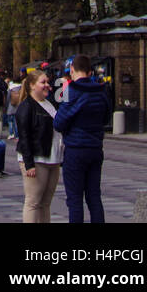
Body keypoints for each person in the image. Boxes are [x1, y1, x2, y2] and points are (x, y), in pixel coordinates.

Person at [53, 54, 112, 224]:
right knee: (94, 197)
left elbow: (59, 123)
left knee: (75, 199)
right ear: (90, 71)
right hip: (95, 148)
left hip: (75, 149)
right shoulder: (102, 90)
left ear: (72, 69)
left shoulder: (70, 91)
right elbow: (107, 117)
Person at [15, 69, 62, 223]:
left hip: (53, 157)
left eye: (47, 82)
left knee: (45, 203)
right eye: (43, 82)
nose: (47, 85)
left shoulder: (49, 103)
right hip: (37, 158)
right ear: (32, 86)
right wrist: (29, 164)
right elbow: (24, 136)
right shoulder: (26, 106)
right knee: (33, 202)